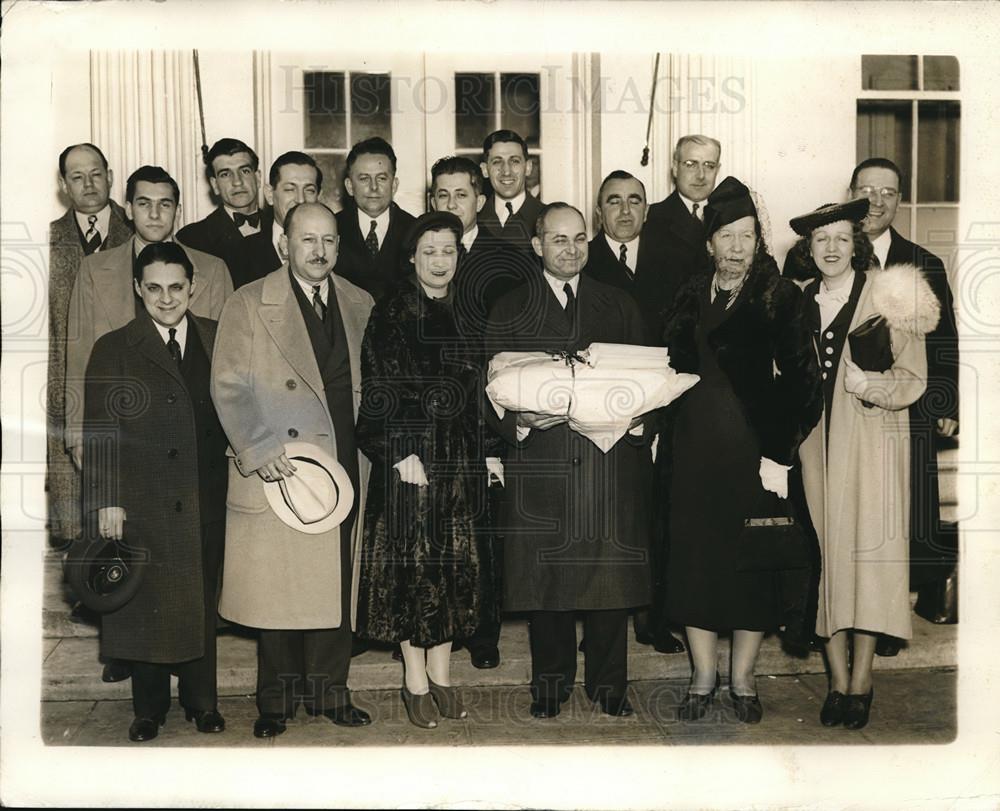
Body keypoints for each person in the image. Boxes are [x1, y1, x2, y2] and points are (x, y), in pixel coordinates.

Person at [660, 177, 822, 724]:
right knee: (695, 565)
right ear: (709, 242)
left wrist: (780, 455)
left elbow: (804, 385)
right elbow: (671, 370)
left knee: (752, 566)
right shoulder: (688, 291)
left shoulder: (781, 297)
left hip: (754, 459)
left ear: (760, 241)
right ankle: (702, 677)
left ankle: (743, 678)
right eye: (726, 236)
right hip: (691, 453)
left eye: (746, 237)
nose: (736, 247)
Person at [210, 202, 375, 738]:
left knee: (336, 583)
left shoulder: (359, 301)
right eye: (307, 240)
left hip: (344, 461)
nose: (319, 251)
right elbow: (229, 385)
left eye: (328, 240)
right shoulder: (250, 302)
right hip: (281, 465)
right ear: (284, 242)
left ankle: (331, 691)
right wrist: (259, 450)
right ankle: (275, 701)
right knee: (279, 587)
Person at [485, 203, 653, 720]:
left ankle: (610, 686)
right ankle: (549, 686)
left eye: (580, 238)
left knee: (609, 582)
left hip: (607, 464)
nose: (570, 248)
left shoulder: (618, 303)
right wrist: (515, 423)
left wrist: (640, 421)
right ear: (537, 245)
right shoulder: (509, 308)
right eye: (558, 239)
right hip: (544, 462)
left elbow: (649, 378)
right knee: (548, 587)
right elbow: (487, 390)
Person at [790, 198, 935, 729]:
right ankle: (834, 680)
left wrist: (869, 385)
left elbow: (914, 376)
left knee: (869, 560)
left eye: (841, 239)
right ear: (808, 248)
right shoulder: (798, 299)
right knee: (826, 558)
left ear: (858, 244)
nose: (831, 248)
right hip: (814, 447)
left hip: (871, 443)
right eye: (820, 239)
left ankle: (862, 679)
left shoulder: (888, 294)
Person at [355, 211, 498, 728]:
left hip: (459, 461)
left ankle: (442, 677)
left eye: (449, 250)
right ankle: (414, 681)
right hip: (411, 464)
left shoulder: (468, 310)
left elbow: (480, 391)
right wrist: (399, 452)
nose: (440, 261)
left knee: (456, 573)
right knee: (414, 577)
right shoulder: (392, 311)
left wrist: (489, 448)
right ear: (413, 256)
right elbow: (377, 391)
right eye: (430, 250)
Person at [81, 241, 228, 742]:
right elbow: (99, 431)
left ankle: (201, 702)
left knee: (200, 602)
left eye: (177, 287)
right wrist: (106, 500)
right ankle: (148, 708)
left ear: (193, 287)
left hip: (208, 496)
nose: (166, 299)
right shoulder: (114, 347)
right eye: (154, 289)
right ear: (138, 290)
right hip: (141, 499)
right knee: (145, 603)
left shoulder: (216, 337)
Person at [429, 155, 537, 669]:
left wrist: (500, 435)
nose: (453, 205)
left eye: (462, 195)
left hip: (489, 415)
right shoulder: (423, 251)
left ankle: (484, 633)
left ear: (480, 198)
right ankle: (445, 624)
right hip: (436, 417)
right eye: (443, 196)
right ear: (432, 201)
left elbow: (517, 345)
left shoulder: (508, 257)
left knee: (486, 529)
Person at [850, 158, 960, 651]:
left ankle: (888, 623)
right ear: (851, 193)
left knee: (902, 517)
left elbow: (944, 345)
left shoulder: (924, 263)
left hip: (907, 410)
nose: (876, 200)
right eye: (867, 190)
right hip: (845, 411)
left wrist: (945, 402)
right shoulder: (823, 254)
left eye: (888, 192)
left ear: (899, 200)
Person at [65, 165, 233, 476]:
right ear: (128, 209)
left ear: (178, 211)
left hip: (195, 434)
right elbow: (78, 358)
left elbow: (228, 362)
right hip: (123, 430)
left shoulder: (213, 270)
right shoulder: (93, 270)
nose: (154, 214)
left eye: (164, 204)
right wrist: (78, 434)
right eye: (144, 203)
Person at [582, 170, 685, 656]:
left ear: (647, 209)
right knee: (599, 516)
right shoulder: (584, 259)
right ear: (598, 211)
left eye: (635, 201)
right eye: (614, 202)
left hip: (656, 405)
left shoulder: (672, 260)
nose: (625, 211)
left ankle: (651, 618)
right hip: (596, 406)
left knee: (654, 512)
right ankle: (598, 623)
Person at [48, 143, 132, 545]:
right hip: (70, 395)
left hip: (127, 393)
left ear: (110, 176)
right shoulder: (46, 241)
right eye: (77, 177)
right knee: (77, 531)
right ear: (64, 186)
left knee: (130, 526)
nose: (88, 184)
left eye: (96, 173)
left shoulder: (137, 232)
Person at [222, 151, 322, 288]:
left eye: (309, 190)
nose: (300, 199)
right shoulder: (239, 255)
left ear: (319, 197)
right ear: (269, 194)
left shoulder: (334, 253)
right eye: (289, 189)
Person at [333, 137, 416, 301]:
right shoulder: (332, 228)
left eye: (381, 178)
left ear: (394, 185)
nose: (373, 187)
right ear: (350, 186)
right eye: (364, 178)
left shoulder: (415, 230)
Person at [645, 135, 722, 300]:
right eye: (691, 164)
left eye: (709, 166)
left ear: (718, 170)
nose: (701, 175)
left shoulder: (730, 218)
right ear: (675, 168)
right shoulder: (651, 217)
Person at [176, 138, 269, 262]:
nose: (237, 182)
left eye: (245, 171)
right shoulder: (191, 239)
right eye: (225, 174)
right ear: (215, 185)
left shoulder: (282, 228)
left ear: (258, 178)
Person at [476, 129, 543, 254]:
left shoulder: (546, 216)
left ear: (528, 167)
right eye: (497, 162)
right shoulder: (474, 218)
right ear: (485, 170)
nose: (506, 171)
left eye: (514, 161)